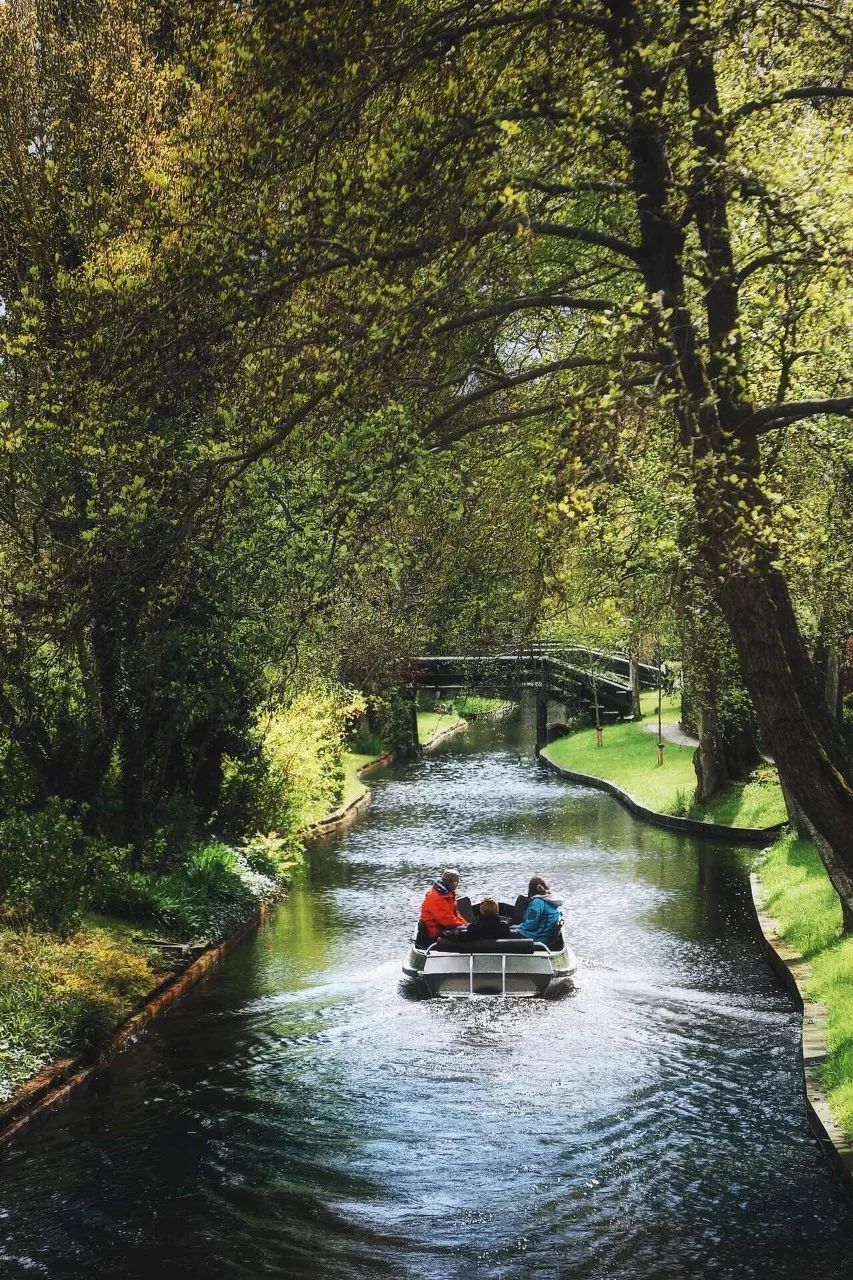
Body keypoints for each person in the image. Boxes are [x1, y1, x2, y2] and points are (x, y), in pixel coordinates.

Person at [420, 868, 468, 940]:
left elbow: (455, 914)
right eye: (456, 882)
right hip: (436, 932)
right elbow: (447, 921)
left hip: (444, 927)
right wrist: (466, 928)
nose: (457, 885)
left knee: (468, 931)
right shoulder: (436, 898)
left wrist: (466, 925)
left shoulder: (448, 893)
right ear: (449, 883)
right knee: (466, 934)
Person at [514, 876, 562, 946]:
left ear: (530, 889)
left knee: (504, 933)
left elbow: (531, 925)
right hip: (545, 936)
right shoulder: (549, 899)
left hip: (538, 938)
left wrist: (516, 928)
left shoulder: (537, 902)